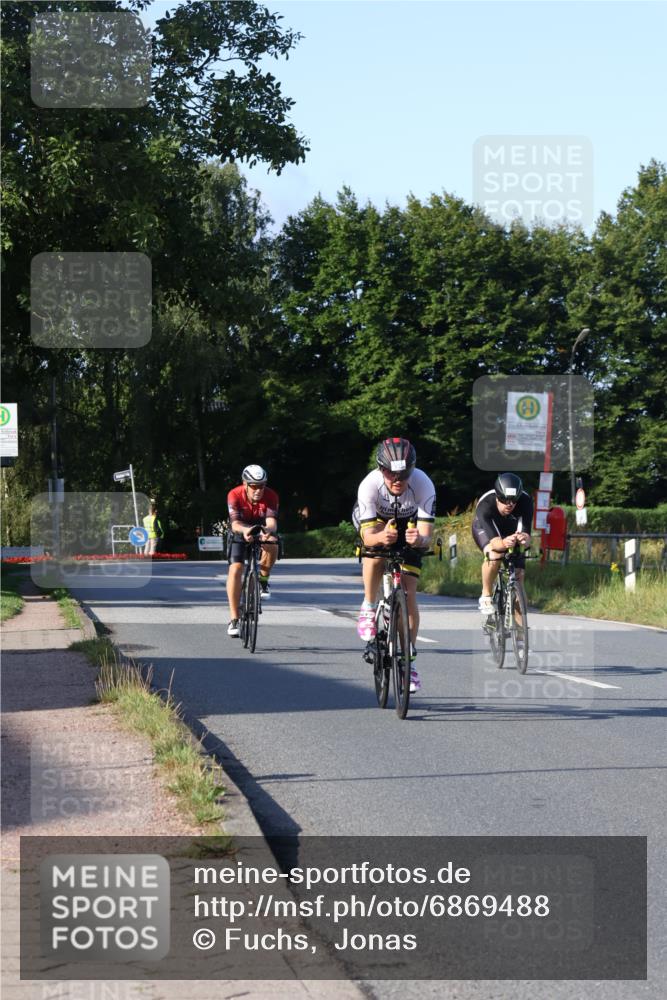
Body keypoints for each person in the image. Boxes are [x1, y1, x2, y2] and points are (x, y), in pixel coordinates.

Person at [354, 437, 436, 693]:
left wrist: (418, 539)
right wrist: (380, 537)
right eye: (390, 473)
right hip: (377, 523)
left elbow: (426, 534)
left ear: (412, 469)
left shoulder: (423, 484)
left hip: (408, 524)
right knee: (375, 552)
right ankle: (368, 606)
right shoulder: (370, 485)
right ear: (381, 469)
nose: (397, 479)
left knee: (409, 593)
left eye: (403, 473)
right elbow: (368, 536)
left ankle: (408, 662)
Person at [225, 465, 279, 637]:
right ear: (245, 484)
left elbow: (272, 523)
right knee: (236, 569)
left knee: (273, 542)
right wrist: (245, 531)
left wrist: (265, 532)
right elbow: (234, 524)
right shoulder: (234, 494)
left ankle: (263, 579)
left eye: (261, 485)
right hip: (240, 531)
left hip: (262, 530)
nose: (258, 490)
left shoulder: (271, 495)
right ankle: (234, 618)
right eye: (254, 486)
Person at [472, 472, 533, 621]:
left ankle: (520, 635)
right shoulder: (486, 505)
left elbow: (527, 537)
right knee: (495, 555)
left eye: (513, 500)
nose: (509, 504)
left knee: (519, 575)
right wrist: (505, 543)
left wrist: (524, 539)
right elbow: (496, 544)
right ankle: (486, 593)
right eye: (505, 500)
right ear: (498, 496)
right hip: (486, 529)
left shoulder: (525, 501)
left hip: (510, 528)